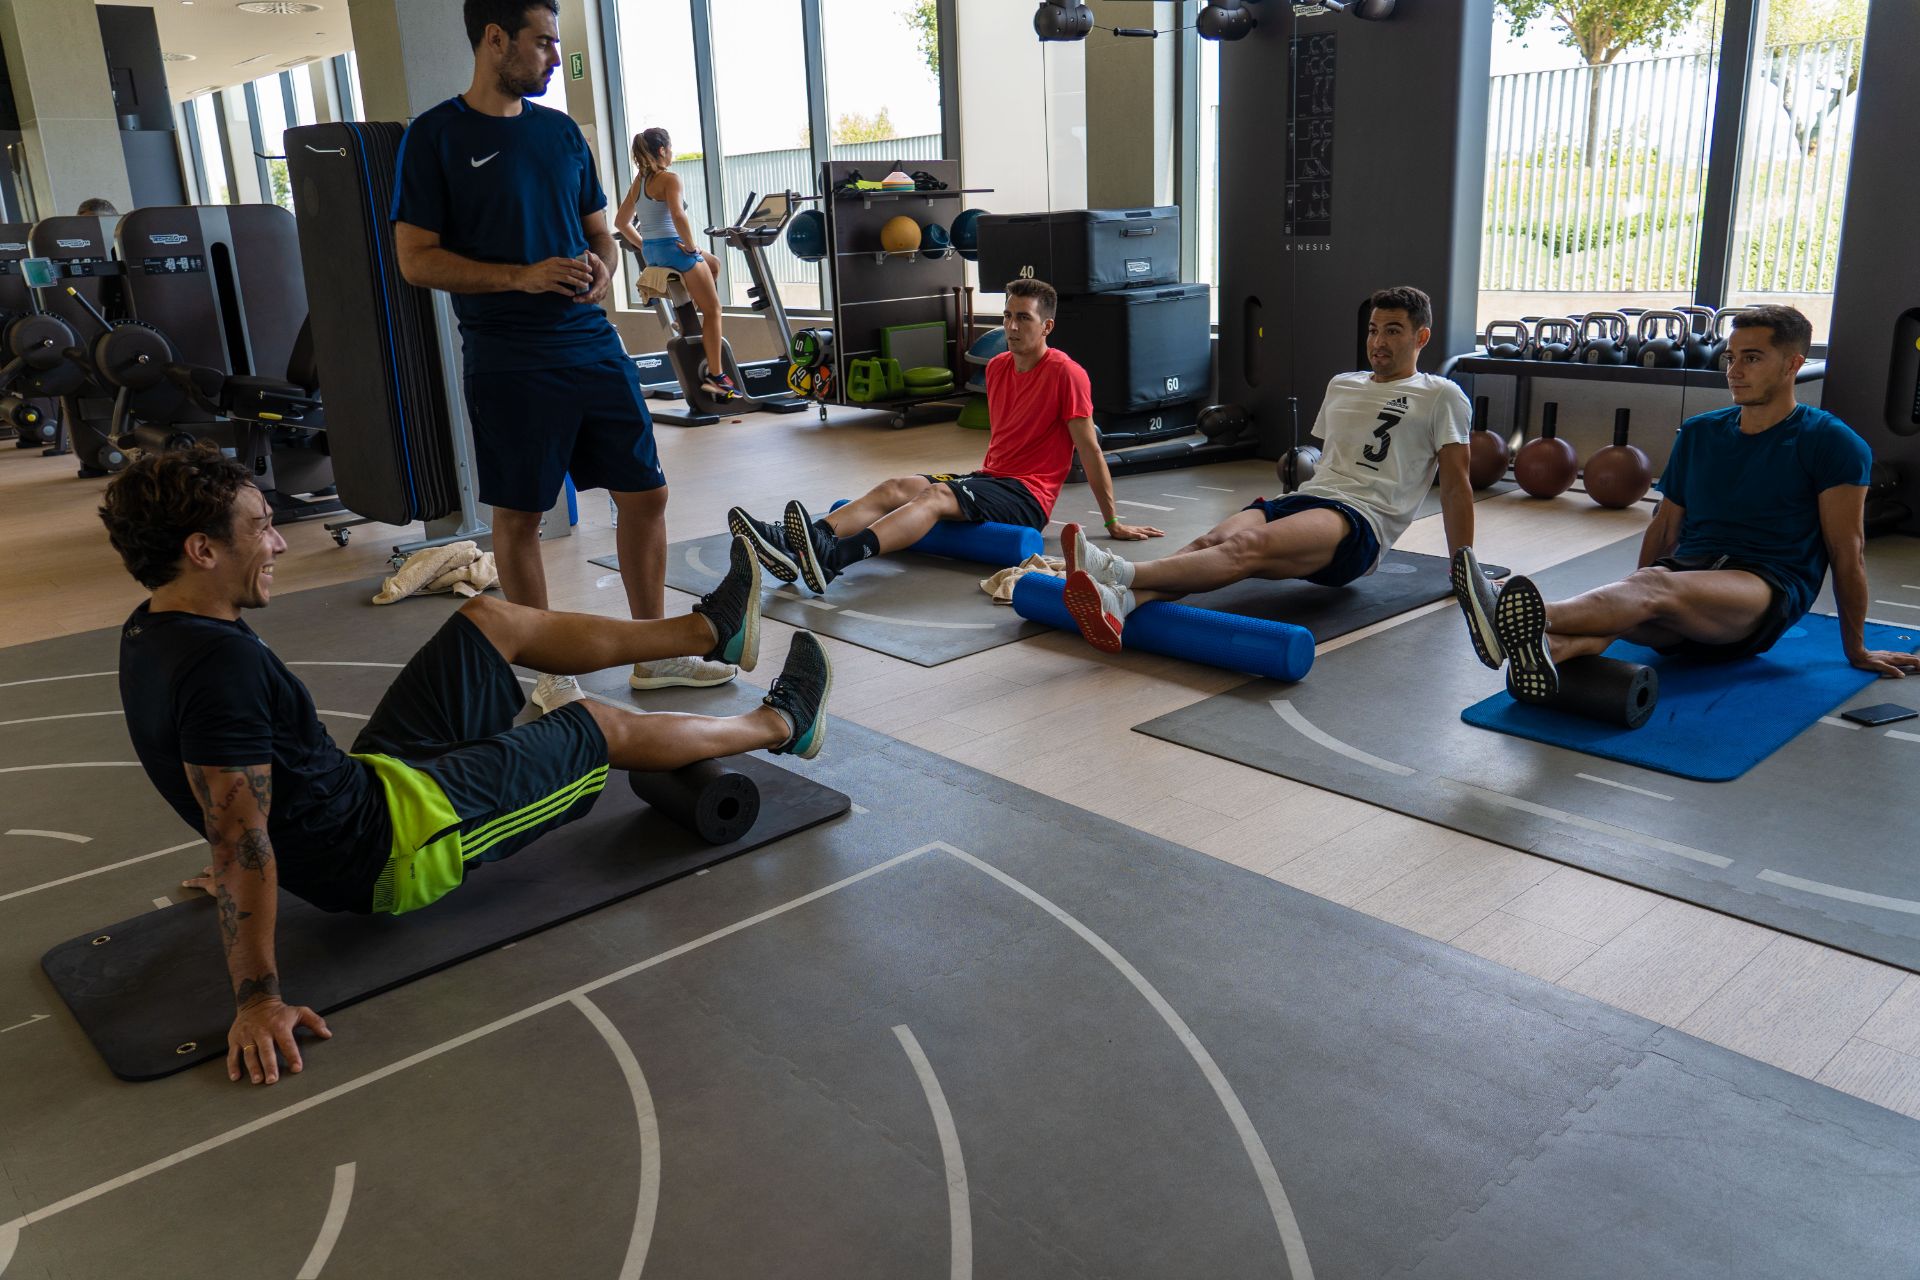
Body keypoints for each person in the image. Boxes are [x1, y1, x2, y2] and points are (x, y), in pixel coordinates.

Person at [98, 447, 832, 1086]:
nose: (278, 545)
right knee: (593, 725)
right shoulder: (217, 669)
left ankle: (708, 630)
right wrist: (258, 998)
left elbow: (216, 781)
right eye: (260, 528)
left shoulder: (157, 626)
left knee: (492, 619)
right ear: (201, 550)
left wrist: (250, 845)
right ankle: (782, 723)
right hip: (388, 848)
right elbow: (240, 836)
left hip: (366, 784)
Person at [392, 0, 729, 711]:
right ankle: (551, 674)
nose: (553, 56)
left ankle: (655, 653)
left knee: (648, 492)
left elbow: (601, 232)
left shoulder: (562, 137)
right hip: (508, 354)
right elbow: (415, 261)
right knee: (520, 518)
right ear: (493, 40)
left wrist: (603, 266)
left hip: (590, 342)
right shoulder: (435, 137)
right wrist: (519, 276)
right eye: (542, 43)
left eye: (554, 42)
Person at [1452, 304, 1918, 697]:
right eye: (1732, 357)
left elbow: (1847, 551)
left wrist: (1856, 648)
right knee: (1640, 594)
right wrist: (1634, 588)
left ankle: (1513, 615)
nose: (1734, 371)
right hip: (1688, 574)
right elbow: (1664, 526)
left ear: (1793, 364)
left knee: (1653, 589)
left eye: (1752, 358)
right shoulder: (1701, 432)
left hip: (1764, 588)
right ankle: (1549, 650)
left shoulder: (1832, 443)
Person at [1059, 285, 1475, 652]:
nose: (1378, 341)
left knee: (1244, 549)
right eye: (1373, 329)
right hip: (1307, 500)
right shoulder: (1343, 383)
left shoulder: (1441, 396)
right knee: (1211, 541)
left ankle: (1117, 571)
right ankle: (1123, 602)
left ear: (1421, 337)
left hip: (1361, 522)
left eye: (1393, 330)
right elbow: (1333, 462)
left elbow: (1456, 488)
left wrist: (1464, 567)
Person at [726, 277, 1161, 594]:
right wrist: (977, 482)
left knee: (932, 499)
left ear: (1046, 327)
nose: (1011, 327)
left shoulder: (1067, 375)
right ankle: (797, 542)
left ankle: (836, 558)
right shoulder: (997, 367)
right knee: (897, 485)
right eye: (1008, 315)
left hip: (1027, 497)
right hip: (989, 480)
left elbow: (1090, 451)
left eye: (1023, 319)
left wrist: (1112, 522)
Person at [614, 127, 736, 401]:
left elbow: (621, 223)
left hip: (654, 252)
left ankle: (687, 317)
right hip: (674, 250)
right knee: (714, 310)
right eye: (670, 148)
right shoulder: (670, 179)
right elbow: (678, 216)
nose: (672, 153)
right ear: (662, 151)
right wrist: (691, 248)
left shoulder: (640, 181)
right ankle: (716, 376)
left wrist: (644, 246)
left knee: (713, 263)